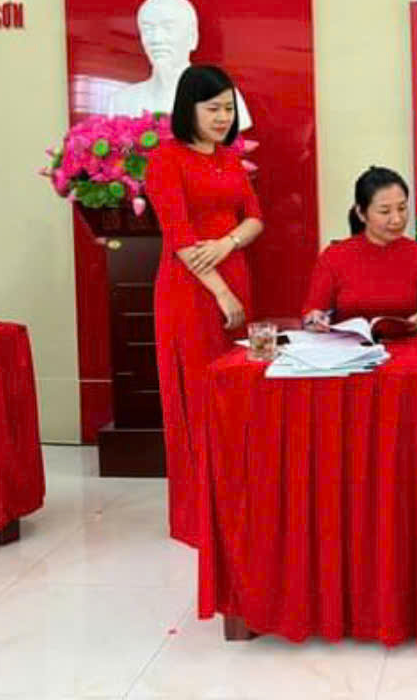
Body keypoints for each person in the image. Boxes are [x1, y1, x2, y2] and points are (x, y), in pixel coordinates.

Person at [143, 64, 263, 546]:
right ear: (187, 109)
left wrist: (228, 242)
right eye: (213, 108)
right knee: (195, 397)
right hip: (190, 291)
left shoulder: (229, 159)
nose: (222, 117)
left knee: (234, 393)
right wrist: (221, 291)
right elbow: (179, 238)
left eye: (228, 109)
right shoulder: (166, 160)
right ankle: (197, 518)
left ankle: (235, 508)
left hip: (234, 275)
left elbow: (255, 218)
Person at [303, 167, 417, 333]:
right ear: (361, 213)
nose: (397, 219)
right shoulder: (334, 256)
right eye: (385, 211)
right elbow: (312, 312)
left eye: (402, 208)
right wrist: (315, 319)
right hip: (350, 348)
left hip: (408, 345)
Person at [106, 0, 252, 127]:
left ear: (193, 37)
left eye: (168, 28)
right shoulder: (120, 101)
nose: (156, 39)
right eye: (147, 29)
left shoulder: (222, 97)